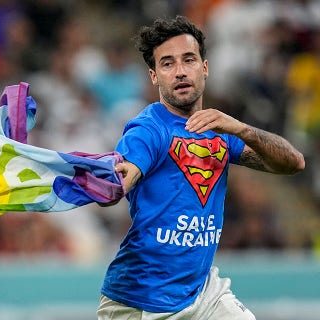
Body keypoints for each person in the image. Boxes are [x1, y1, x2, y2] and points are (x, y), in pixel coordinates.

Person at [98, 16, 305, 320]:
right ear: (154, 76)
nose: (180, 71)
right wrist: (116, 178)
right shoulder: (148, 129)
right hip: (140, 300)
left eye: (189, 60)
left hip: (203, 291)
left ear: (205, 68)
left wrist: (243, 130)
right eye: (167, 64)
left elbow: (293, 163)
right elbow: (126, 172)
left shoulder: (219, 129)